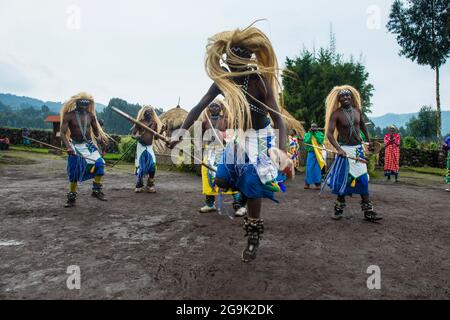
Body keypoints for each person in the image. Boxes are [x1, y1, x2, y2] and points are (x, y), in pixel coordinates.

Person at [168, 24, 293, 262]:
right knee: (222, 180)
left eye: (240, 58)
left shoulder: (260, 81)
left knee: (254, 186)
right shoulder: (223, 81)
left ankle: (253, 233)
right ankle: (244, 191)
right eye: (231, 58)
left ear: (247, 59)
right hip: (237, 139)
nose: (233, 63)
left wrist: (283, 151)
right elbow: (198, 106)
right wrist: (181, 132)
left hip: (259, 139)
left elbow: (278, 119)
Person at [323, 86, 382, 222]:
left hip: (358, 150)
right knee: (344, 180)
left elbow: (363, 126)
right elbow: (329, 134)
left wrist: (369, 141)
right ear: (339, 99)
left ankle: (368, 211)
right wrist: (338, 149)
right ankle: (338, 210)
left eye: (347, 96)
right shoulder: (336, 114)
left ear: (351, 97)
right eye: (342, 96)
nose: (345, 98)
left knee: (363, 179)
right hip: (344, 150)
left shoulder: (357, 111)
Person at [60, 92, 109, 208]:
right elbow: (62, 133)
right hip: (74, 145)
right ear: (77, 103)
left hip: (88, 145)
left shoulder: (91, 116)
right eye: (81, 104)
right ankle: (71, 197)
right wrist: (68, 147)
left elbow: (96, 132)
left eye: (86, 105)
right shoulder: (69, 115)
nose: (84, 107)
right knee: (74, 171)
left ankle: (96, 190)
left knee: (100, 163)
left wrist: (101, 141)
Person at [199, 100, 247, 217]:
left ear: (220, 108)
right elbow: (200, 138)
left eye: (216, 106)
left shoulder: (226, 120)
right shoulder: (205, 122)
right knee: (207, 177)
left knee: (229, 177)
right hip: (209, 152)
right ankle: (210, 204)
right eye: (211, 106)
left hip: (224, 152)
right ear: (208, 109)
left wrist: (222, 135)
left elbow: (233, 136)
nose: (214, 108)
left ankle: (240, 206)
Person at [131, 105, 161, 193]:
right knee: (140, 167)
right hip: (140, 146)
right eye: (147, 112)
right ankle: (139, 184)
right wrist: (137, 136)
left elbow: (155, 138)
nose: (149, 114)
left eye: (151, 113)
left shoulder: (154, 124)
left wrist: (159, 134)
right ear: (144, 113)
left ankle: (150, 185)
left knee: (152, 165)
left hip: (149, 147)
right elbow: (133, 134)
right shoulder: (140, 122)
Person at [303, 123, 325, 190]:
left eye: (315, 127)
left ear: (317, 127)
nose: (313, 128)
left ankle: (317, 184)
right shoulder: (307, 134)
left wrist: (315, 134)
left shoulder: (320, 134)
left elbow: (320, 141)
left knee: (317, 169)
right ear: (310, 127)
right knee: (309, 168)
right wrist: (311, 134)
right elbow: (306, 141)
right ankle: (307, 183)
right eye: (312, 127)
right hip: (311, 153)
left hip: (318, 154)